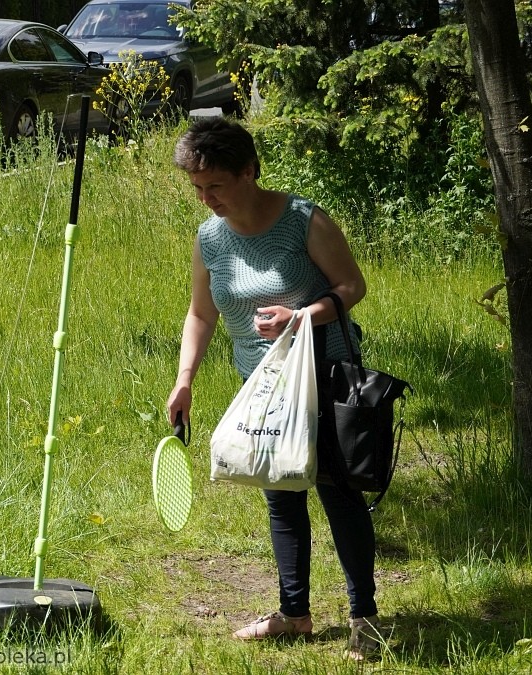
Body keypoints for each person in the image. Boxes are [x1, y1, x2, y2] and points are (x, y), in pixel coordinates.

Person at [164, 118, 383, 660]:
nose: (206, 197)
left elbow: (352, 286)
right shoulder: (210, 239)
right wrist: (184, 379)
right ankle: (294, 614)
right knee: (280, 495)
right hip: (259, 387)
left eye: (215, 184)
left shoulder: (303, 220)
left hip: (323, 377)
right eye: (196, 187)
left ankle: (365, 618)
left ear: (248, 171)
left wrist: (299, 316)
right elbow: (200, 313)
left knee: (339, 495)